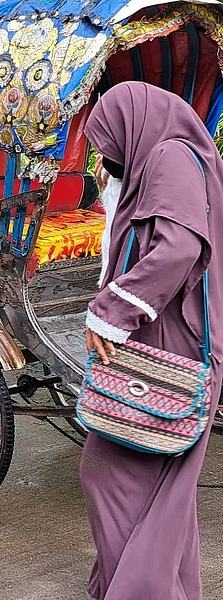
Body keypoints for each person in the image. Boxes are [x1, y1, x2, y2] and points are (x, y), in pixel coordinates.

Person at [81, 81, 223, 600]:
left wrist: (111, 311)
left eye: (107, 145)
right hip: (170, 339)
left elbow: (180, 248)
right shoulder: (176, 154)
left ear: (132, 130)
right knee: (163, 493)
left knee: (109, 476)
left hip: (170, 346)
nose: (105, 157)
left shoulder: (168, 158)